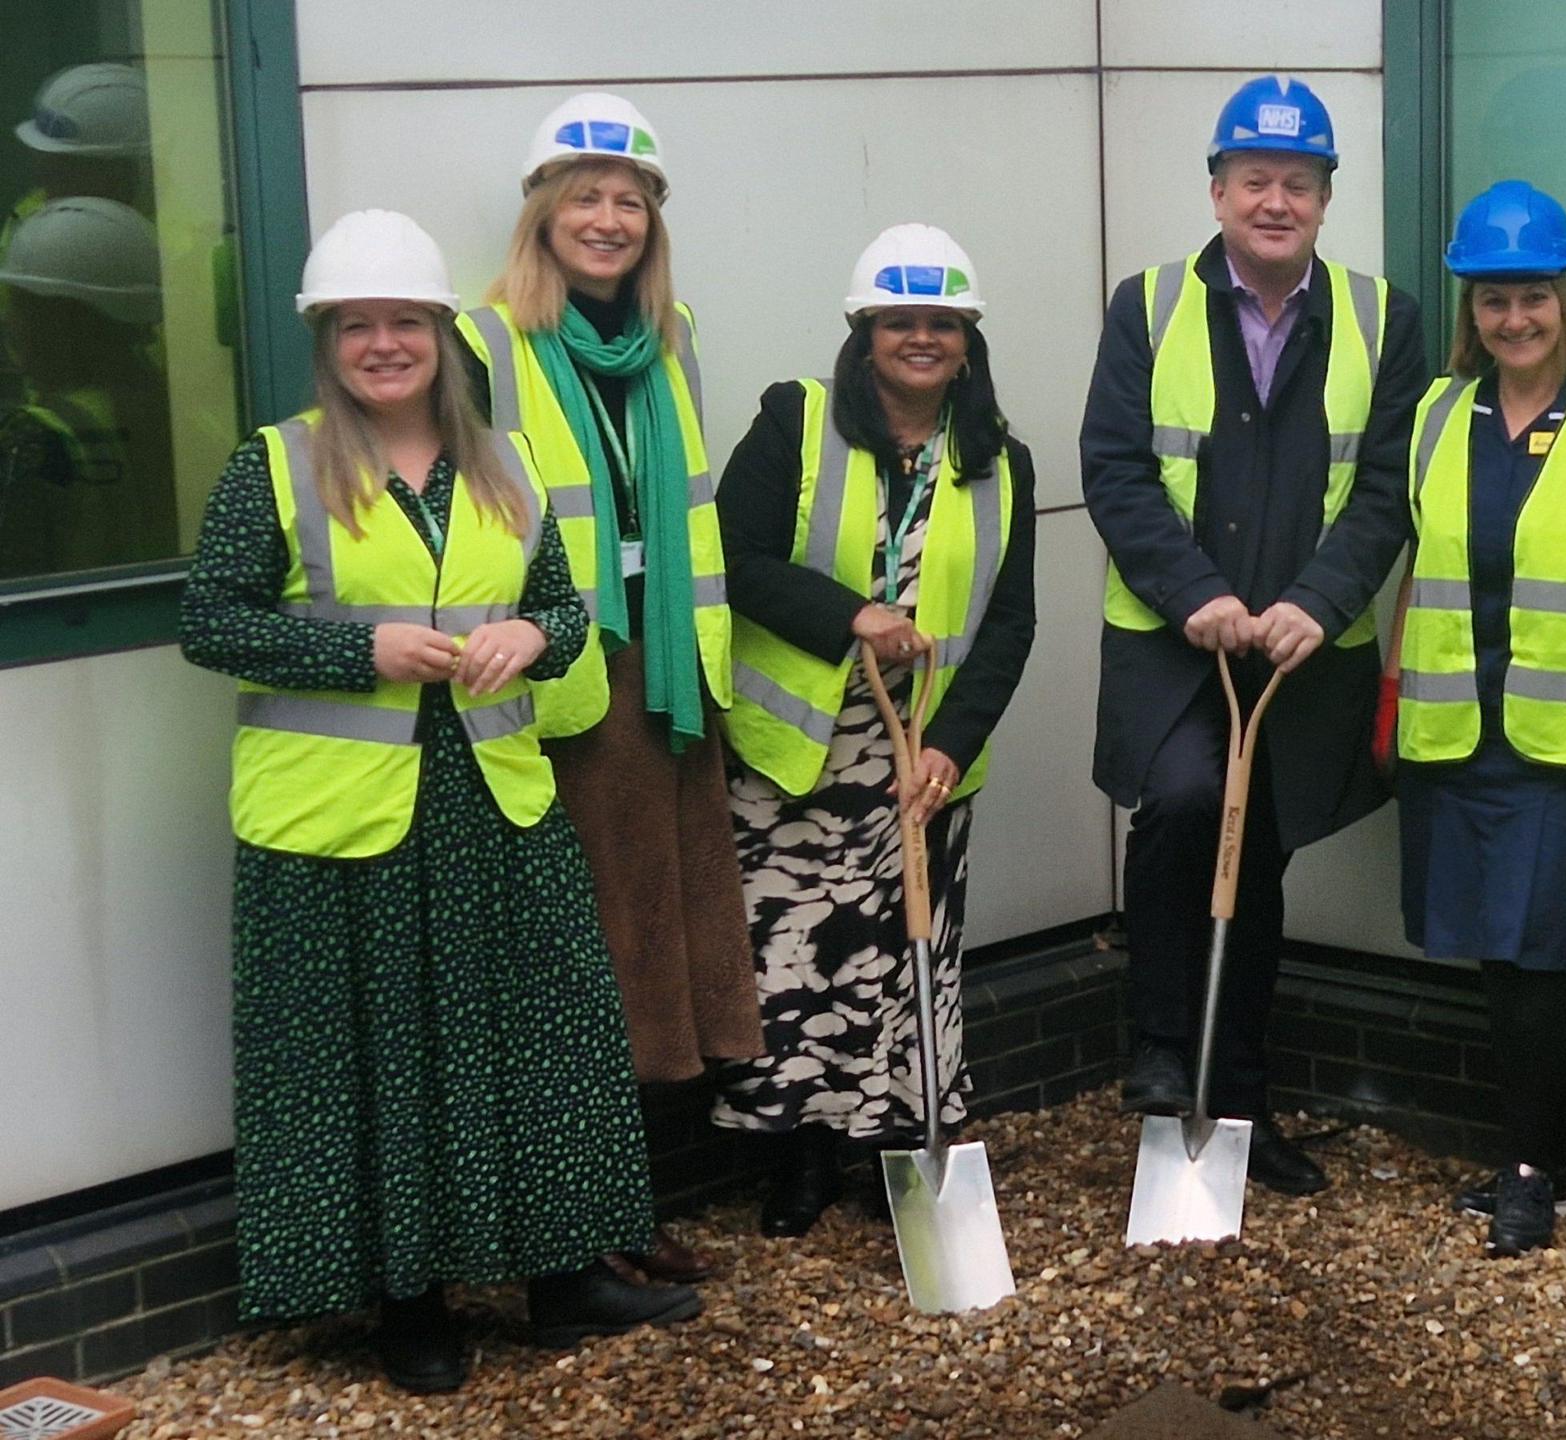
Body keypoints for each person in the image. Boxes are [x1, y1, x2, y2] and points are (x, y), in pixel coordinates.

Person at [177, 210, 699, 1394]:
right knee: (385, 1055)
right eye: (356, 326)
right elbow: (210, 621)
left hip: (494, 804)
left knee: (545, 1039)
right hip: (336, 824)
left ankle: (565, 1278)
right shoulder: (274, 464)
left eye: (402, 321)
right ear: (328, 342)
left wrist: (532, 631)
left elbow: (564, 613)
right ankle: (411, 1302)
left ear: (439, 334)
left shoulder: (507, 466)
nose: (382, 344)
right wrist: (363, 652)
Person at [1082, 73, 1427, 1196]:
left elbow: (1387, 488)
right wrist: (1195, 593)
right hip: (1175, 642)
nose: (1274, 201)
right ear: (1218, 189)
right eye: (1253, 181)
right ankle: (1161, 1049)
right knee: (1185, 803)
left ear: (1326, 198)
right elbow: (1117, 469)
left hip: (1297, 651)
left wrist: (1317, 605)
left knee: (1259, 859)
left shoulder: (1385, 319)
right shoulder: (1145, 306)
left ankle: (1236, 1102)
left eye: (1298, 183)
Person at [457, 92, 760, 1283]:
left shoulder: (669, 332)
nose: (607, 218)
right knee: (582, 959)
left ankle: (620, 1211)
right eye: (583, 196)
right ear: (540, 214)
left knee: (656, 945)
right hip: (554, 692)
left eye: (629, 201)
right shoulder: (481, 344)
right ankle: (581, 1226)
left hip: (666, 678)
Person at [1379, 180, 1566, 1257]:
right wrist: (1390, 683)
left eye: (1533, 299)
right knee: (1495, 960)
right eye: (1493, 301)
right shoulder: (1431, 417)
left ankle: (1531, 1170)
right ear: (1472, 310)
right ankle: (1523, 1153)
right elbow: (1422, 564)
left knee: (1534, 954)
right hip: (1458, 732)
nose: (1514, 320)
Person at [711, 223, 1036, 1236]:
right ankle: (800, 1162)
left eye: (943, 323)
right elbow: (736, 555)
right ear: (864, 332)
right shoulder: (795, 424)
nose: (923, 339)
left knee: (907, 960)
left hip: (921, 757)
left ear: (968, 339)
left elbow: (1010, 620)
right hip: (795, 752)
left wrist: (953, 743)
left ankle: (897, 1156)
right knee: (802, 964)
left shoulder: (999, 461)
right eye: (901, 321)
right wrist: (851, 616)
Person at [0, 196, 173, 575]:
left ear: (64, 321)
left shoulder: (33, 435)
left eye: (21, 305)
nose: (9, 321)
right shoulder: (175, 414)